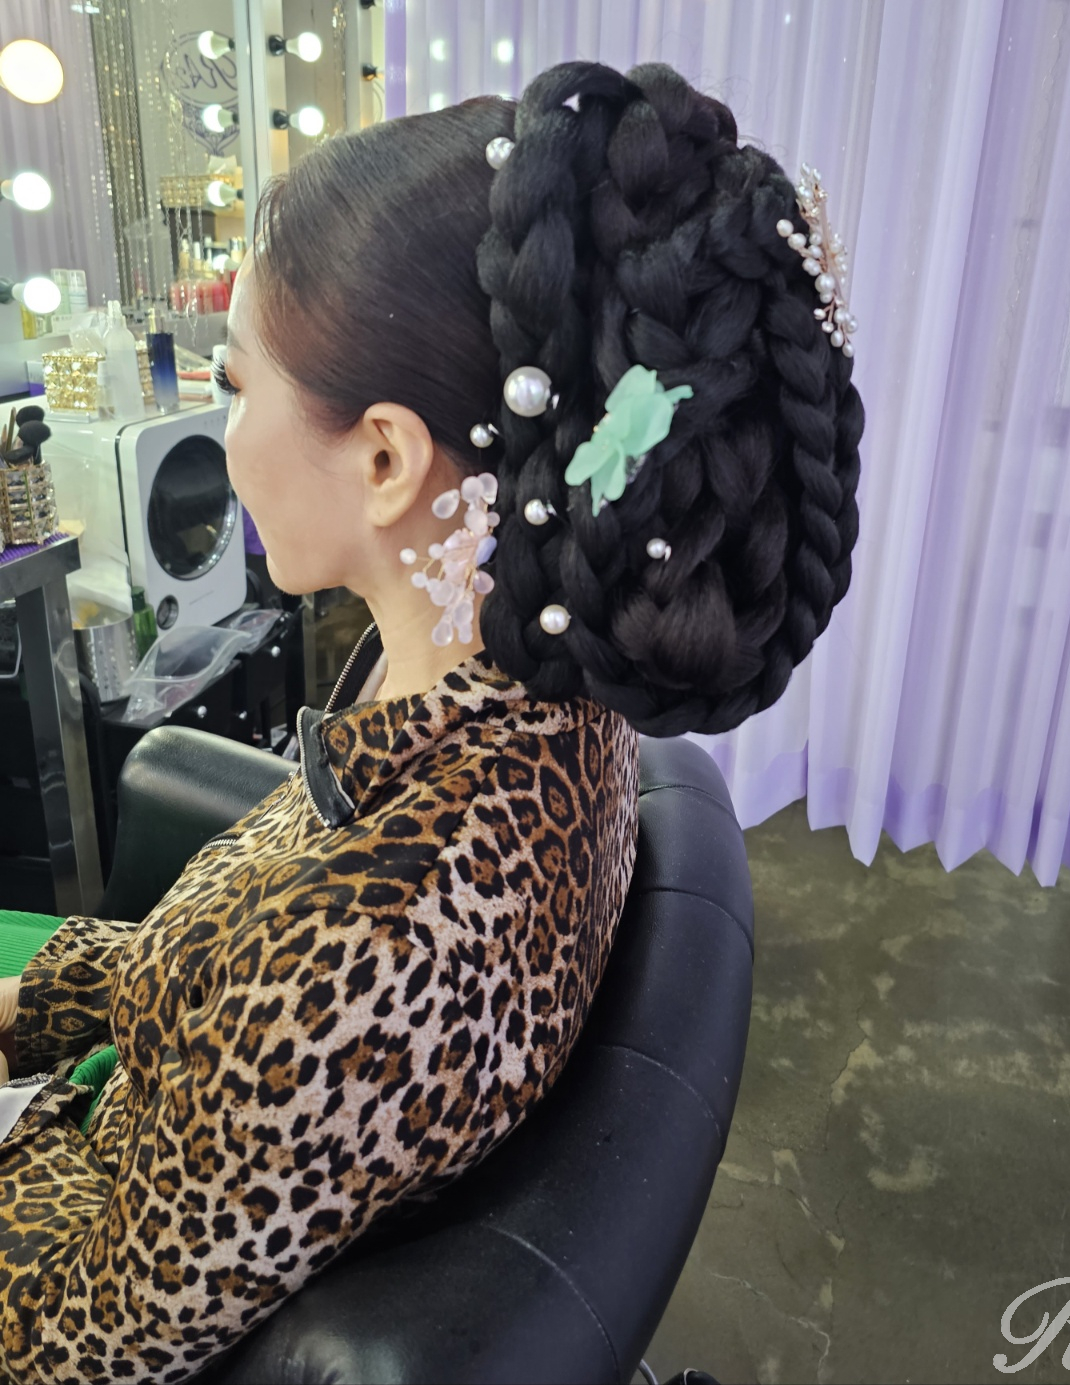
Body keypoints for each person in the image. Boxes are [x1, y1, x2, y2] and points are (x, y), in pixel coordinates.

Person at [0, 58, 863, 1383]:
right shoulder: (532, 699)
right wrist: (36, 997)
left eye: (238, 385)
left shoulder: (354, 964)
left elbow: (73, 1347)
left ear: (386, 458)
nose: (223, 434)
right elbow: (208, 976)